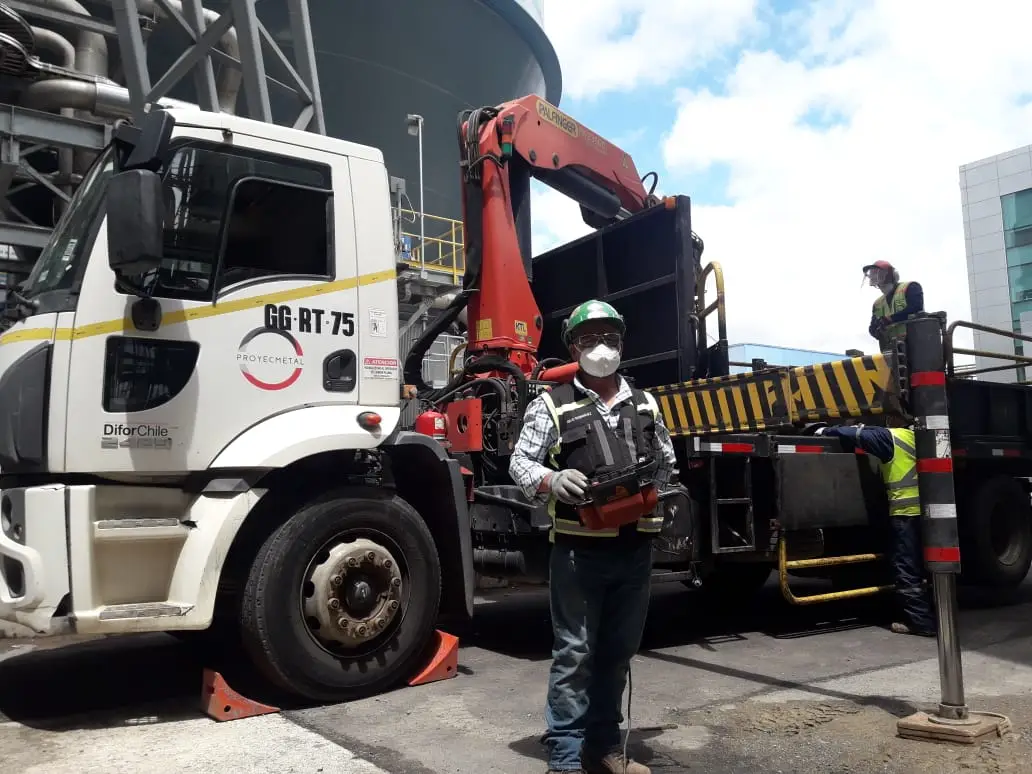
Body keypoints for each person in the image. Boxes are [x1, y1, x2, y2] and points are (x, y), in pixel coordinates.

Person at [509, 299, 679, 774]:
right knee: (574, 654)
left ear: (622, 343)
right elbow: (520, 463)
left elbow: (667, 460)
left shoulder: (644, 402)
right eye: (589, 339)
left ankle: (603, 747)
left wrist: (652, 490)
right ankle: (564, 758)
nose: (601, 347)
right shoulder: (551, 404)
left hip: (634, 549)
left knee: (618, 652)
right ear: (573, 347)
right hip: (579, 553)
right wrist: (551, 480)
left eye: (609, 337)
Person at [815, 421, 936, 636]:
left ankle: (922, 623)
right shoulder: (925, 440)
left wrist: (825, 430)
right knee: (926, 566)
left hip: (905, 514)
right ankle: (934, 615)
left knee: (906, 569)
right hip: (928, 514)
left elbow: (853, 434)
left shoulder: (891, 438)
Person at [864, 260, 924, 350]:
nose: (873, 276)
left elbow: (915, 307)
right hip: (891, 348)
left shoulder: (910, 287)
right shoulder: (877, 304)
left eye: (876, 273)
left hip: (916, 343)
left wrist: (890, 319)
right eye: (872, 274)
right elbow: (872, 327)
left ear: (888, 275)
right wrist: (876, 331)